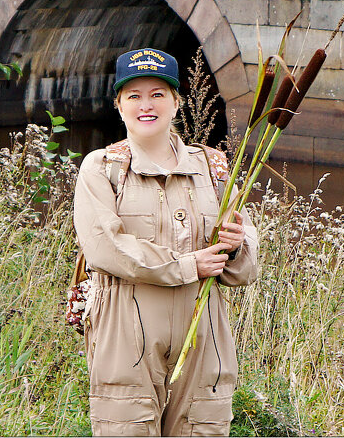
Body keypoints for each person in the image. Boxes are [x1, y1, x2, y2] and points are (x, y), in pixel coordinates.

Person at [73, 48, 259, 436]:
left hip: (204, 337)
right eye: (134, 95)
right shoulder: (102, 168)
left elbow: (246, 269)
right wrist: (189, 266)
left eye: (158, 94)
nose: (146, 105)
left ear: (176, 102)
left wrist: (237, 246)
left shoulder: (214, 169)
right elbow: (105, 248)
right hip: (126, 336)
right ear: (119, 105)